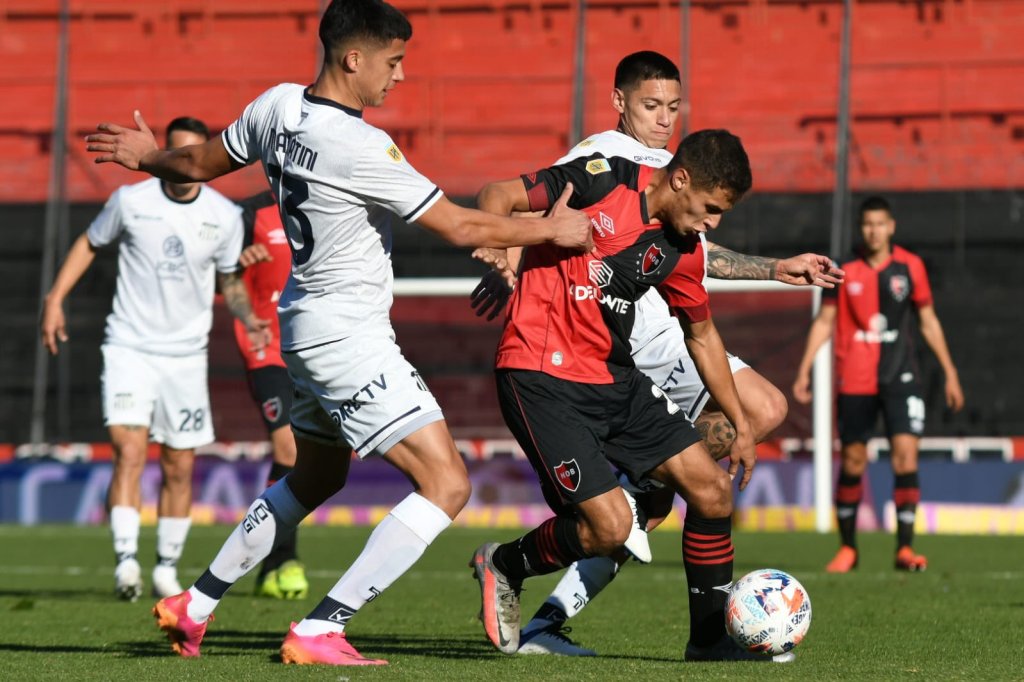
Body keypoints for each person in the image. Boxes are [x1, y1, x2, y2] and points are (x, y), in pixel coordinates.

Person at [85, 0, 591, 666]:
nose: (400, 76)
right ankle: (323, 627)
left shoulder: (277, 106)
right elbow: (459, 224)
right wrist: (549, 229)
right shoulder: (359, 146)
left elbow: (200, 164)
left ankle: (195, 605)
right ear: (354, 59)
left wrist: (150, 157)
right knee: (446, 483)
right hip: (347, 335)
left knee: (316, 476)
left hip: (301, 325)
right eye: (394, 62)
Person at [471, 51, 843, 657]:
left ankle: (708, 642)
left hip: (615, 376)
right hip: (542, 372)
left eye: (673, 106)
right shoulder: (601, 172)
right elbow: (499, 196)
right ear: (680, 181)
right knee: (608, 528)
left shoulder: (684, 246)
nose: (713, 224)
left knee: (714, 491)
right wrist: (500, 251)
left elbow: (704, 336)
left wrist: (741, 427)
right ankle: (506, 564)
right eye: (711, 210)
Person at [41, 116, 268, 602]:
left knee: (179, 464)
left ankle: (166, 567)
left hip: (186, 356)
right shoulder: (131, 201)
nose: (184, 165)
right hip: (129, 347)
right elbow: (89, 242)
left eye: (192, 156)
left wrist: (248, 317)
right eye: (177, 155)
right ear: (164, 153)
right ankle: (126, 563)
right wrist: (55, 298)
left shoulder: (225, 215)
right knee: (128, 451)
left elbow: (229, 279)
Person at [793, 195, 964, 573]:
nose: (874, 231)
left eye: (880, 224)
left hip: (901, 376)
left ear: (891, 227)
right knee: (854, 460)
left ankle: (905, 548)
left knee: (905, 456)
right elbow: (825, 321)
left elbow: (928, 321)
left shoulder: (910, 266)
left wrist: (950, 371)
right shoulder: (843, 269)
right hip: (855, 378)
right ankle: (848, 548)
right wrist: (805, 368)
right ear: (861, 228)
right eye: (868, 224)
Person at [233, 190, 308, 600]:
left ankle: (269, 565)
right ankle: (283, 559)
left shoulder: (323, 199)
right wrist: (236, 266)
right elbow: (225, 278)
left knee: (309, 456)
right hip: (266, 347)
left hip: (312, 345)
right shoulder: (250, 214)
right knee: (289, 447)